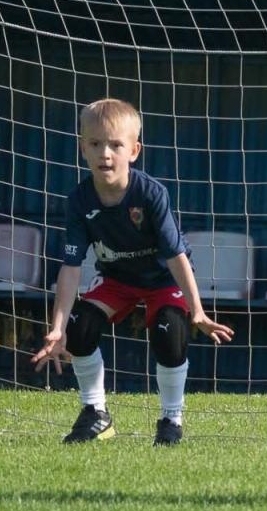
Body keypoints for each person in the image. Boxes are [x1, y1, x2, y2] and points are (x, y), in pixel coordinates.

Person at [31, 98, 235, 445]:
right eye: (95, 144)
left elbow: (175, 257)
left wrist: (197, 312)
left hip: (162, 280)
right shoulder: (79, 201)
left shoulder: (152, 194)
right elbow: (71, 267)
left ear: (134, 150)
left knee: (170, 329)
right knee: (80, 326)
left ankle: (172, 419)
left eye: (115, 145)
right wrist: (57, 328)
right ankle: (95, 414)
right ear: (83, 149)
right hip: (117, 281)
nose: (105, 153)